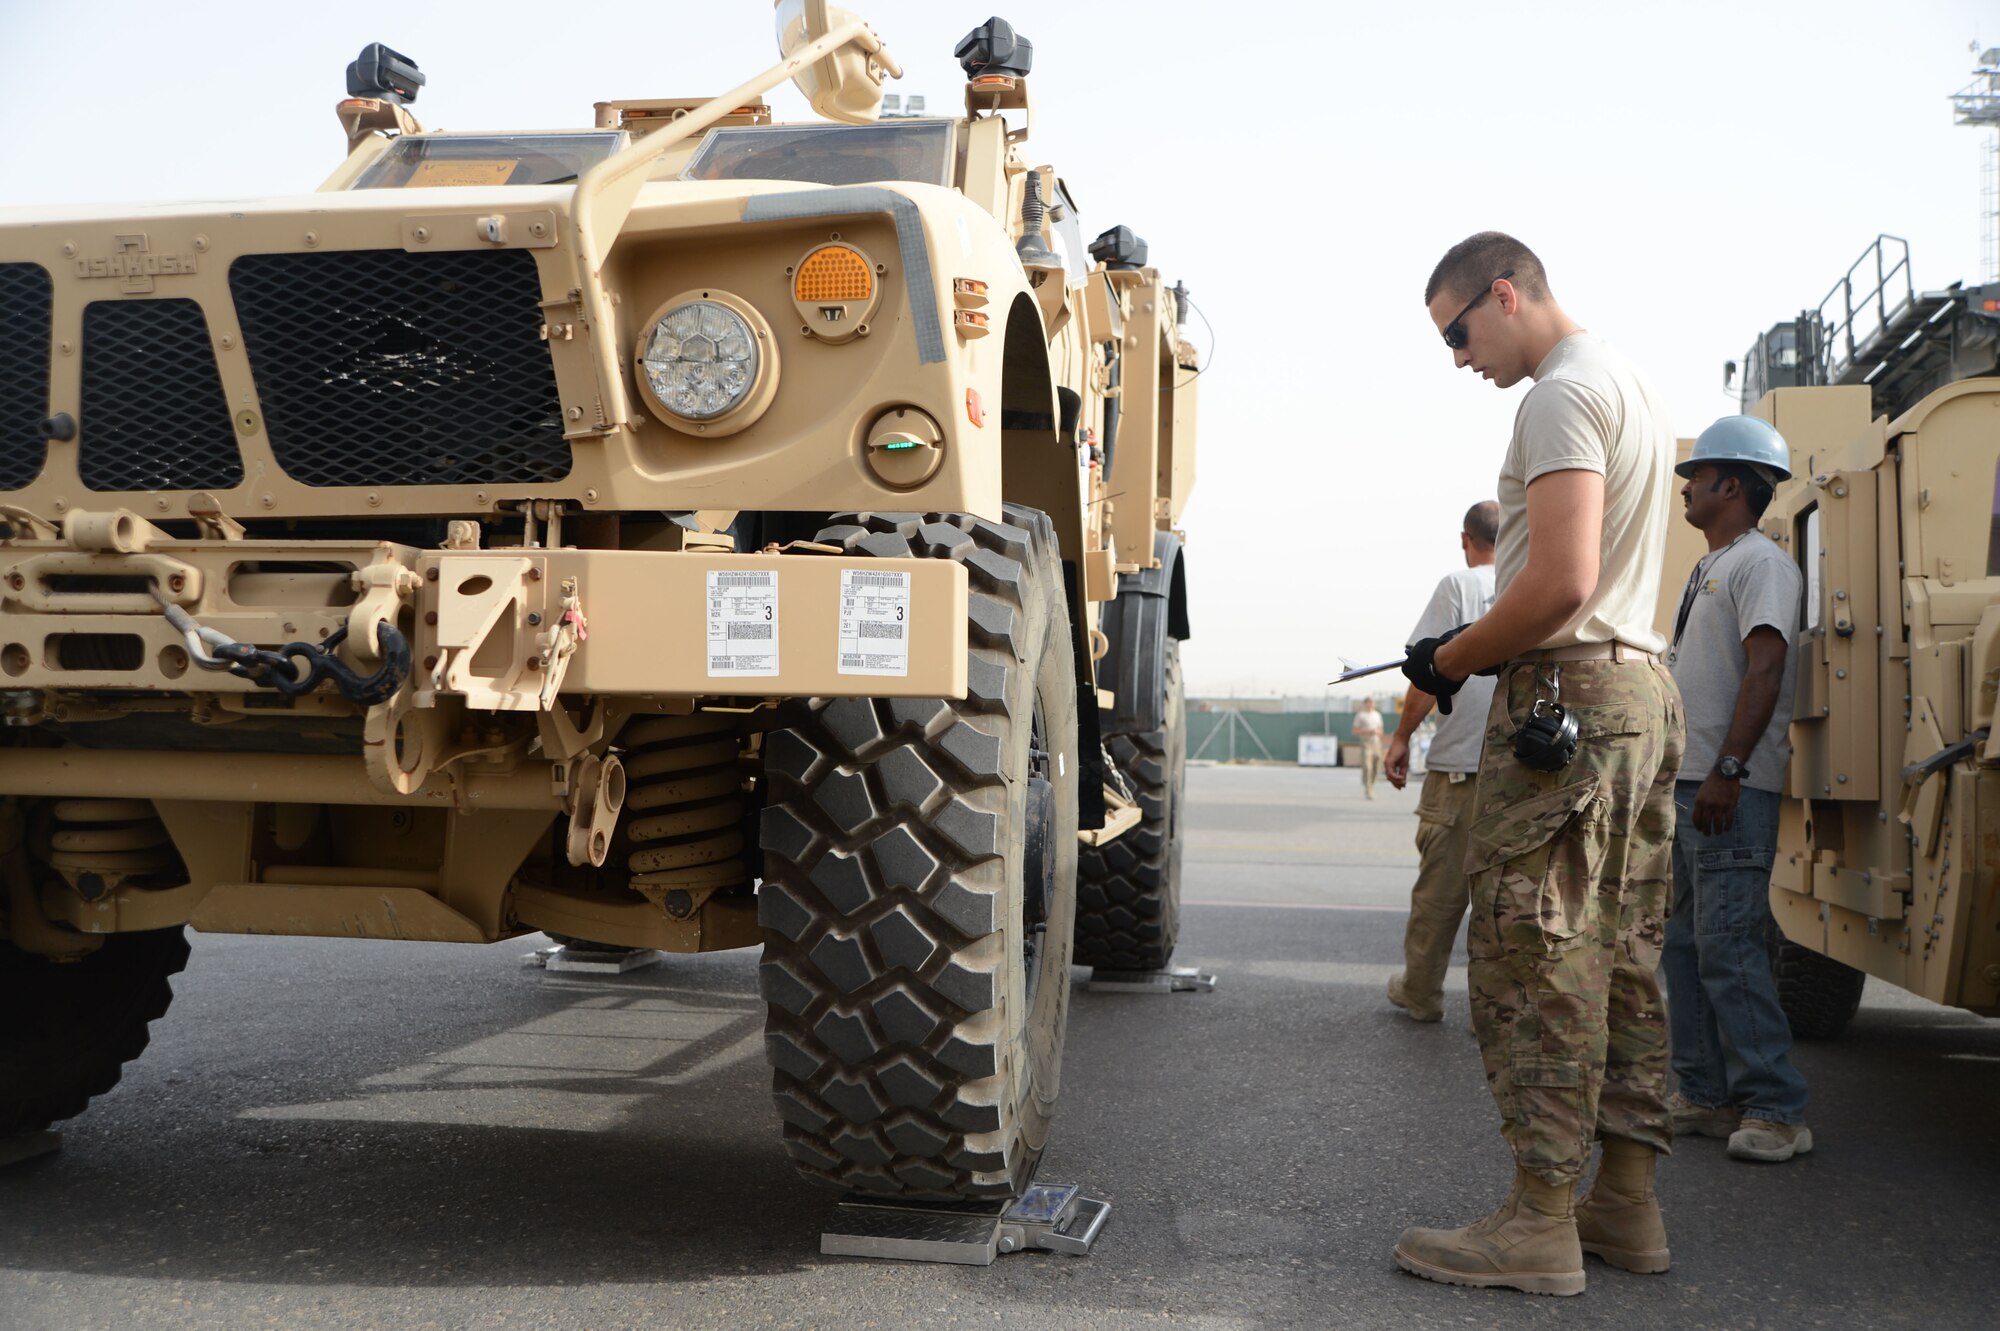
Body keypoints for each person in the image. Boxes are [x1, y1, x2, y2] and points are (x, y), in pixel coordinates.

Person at [1392, 232, 1684, 1297]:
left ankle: (1537, 1218)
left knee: (1536, 957)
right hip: (1641, 691)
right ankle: (1624, 1202)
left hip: (1569, 696)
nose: (1458, 356)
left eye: (1458, 331)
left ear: (1504, 295)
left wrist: (1452, 658)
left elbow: (1558, 581)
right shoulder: (1631, 384)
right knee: (1622, 955)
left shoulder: (1557, 396)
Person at [1661, 416, 1812, 1163]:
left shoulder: (1762, 565)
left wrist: (1728, 770)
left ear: (1734, 484)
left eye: (1699, 475)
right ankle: (1703, 1092)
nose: (1686, 487)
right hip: (1692, 785)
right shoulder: (1711, 566)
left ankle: (1777, 1108)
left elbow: (1766, 669)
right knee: (1685, 945)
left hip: (1728, 790)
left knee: (1728, 946)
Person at [1383, 500, 1501, 1023]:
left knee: (1439, 897)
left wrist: (1402, 736)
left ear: (1465, 539)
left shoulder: (1459, 585)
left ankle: (1422, 994)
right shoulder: (1531, 584)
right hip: (1519, 771)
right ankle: (1494, 1014)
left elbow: (1428, 673)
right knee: (1503, 903)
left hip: (1459, 768)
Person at [1351, 698, 1386, 798]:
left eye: (1372, 703)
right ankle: (1368, 788)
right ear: (1365, 704)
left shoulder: (1377, 715)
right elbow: (1355, 731)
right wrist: (1368, 731)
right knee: (1367, 766)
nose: (1370, 705)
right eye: (1368, 703)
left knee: (1377, 765)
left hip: (1376, 743)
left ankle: (1372, 783)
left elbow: (1381, 730)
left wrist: (1377, 732)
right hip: (1366, 743)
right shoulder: (1360, 716)